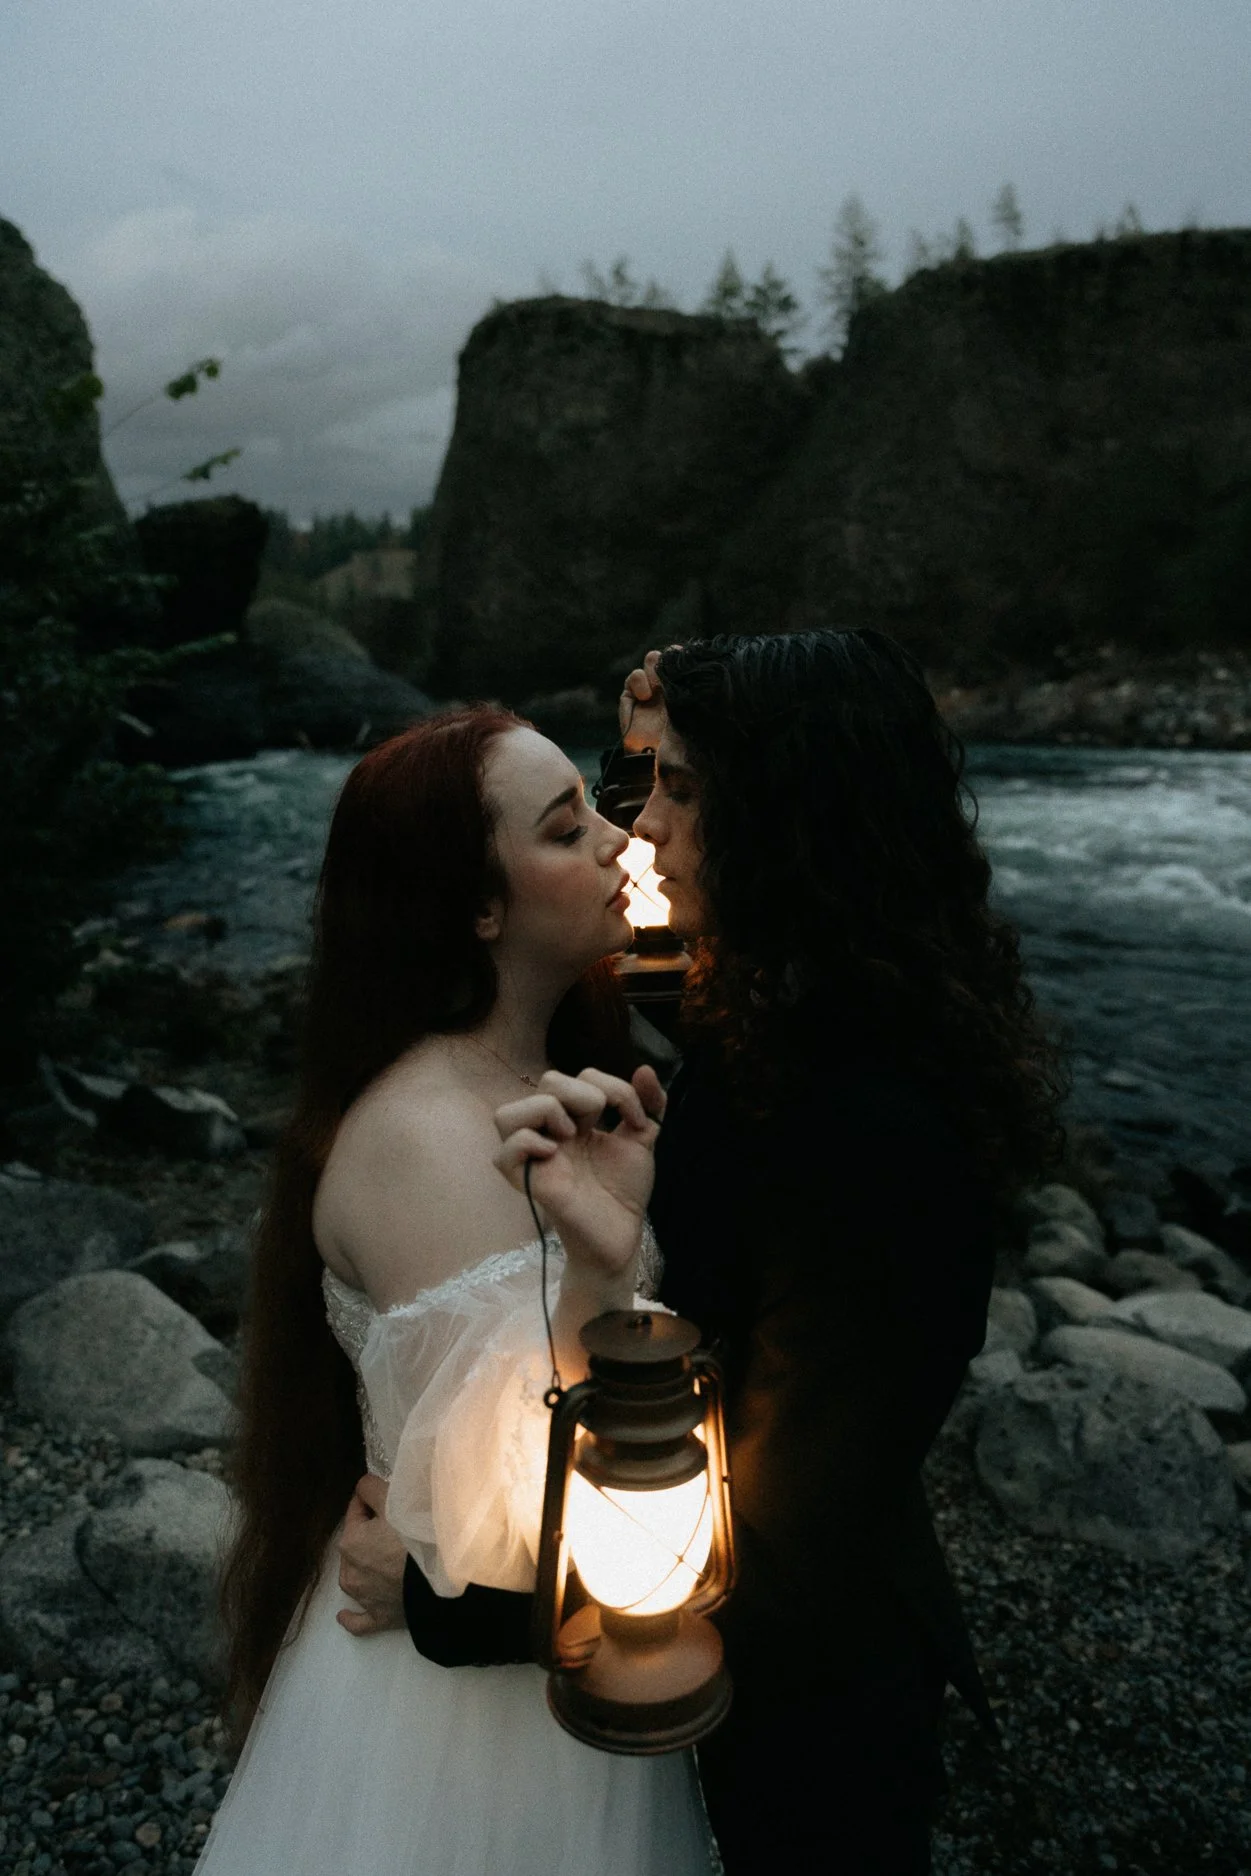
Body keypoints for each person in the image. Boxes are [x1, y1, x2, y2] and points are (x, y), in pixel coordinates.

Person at [340, 630, 1066, 1875]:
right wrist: (654, 715)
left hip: (806, 1719)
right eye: (632, 793)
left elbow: (784, 1546)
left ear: (786, 815)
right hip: (742, 1670)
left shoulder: (875, 1125)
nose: (644, 829)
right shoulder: (795, 1006)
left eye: (677, 788)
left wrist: (450, 1611)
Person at [199, 706, 718, 1875]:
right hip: (465, 1705)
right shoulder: (425, 1139)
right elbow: (524, 1492)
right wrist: (598, 1260)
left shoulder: (550, 1067)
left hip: (537, 1652)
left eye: (593, 803)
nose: (616, 838)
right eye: (563, 825)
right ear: (478, 907)